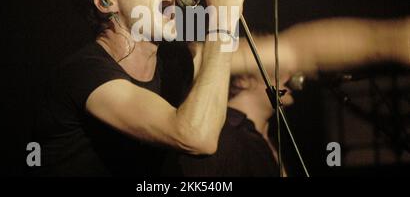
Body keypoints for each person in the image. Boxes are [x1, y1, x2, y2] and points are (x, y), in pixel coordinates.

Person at [33, 0, 247, 176]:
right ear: (105, 2)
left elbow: (280, 54)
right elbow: (196, 136)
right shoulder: (83, 73)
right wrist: (222, 21)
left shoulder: (176, 60)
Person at [166, 17, 410, 176]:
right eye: (275, 65)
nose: (290, 72)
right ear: (241, 78)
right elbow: (297, 49)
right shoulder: (221, 136)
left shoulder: (271, 139)